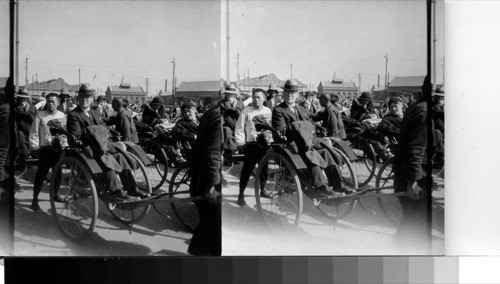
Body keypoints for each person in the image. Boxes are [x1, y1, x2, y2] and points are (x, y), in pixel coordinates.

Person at [67, 83, 149, 201]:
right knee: (107, 159)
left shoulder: (95, 113)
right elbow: (77, 135)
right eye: (82, 97)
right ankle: (116, 191)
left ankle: (132, 188)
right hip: (86, 149)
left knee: (120, 156)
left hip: (101, 146)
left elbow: (103, 128)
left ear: (92, 99)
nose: (85, 99)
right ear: (78, 98)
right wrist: (94, 133)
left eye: (88, 97)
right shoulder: (73, 114)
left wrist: (105, 133)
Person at [272, 79, 351, 197]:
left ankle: (338, 183)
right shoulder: (279, 110)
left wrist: (316, 126)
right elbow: (281, 131)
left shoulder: (301, 109)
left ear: (297, 94)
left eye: (292, 92)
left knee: (326, 151)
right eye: (287, 92)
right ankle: (321, 186)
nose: (290, 95)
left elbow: (310, 122)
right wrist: (299, 128)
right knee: (312, 154)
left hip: (307, 141)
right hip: (291, 145)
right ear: (283, 94)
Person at [393, 75, 438, 254]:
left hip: (414, 175)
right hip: (414, 179)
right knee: (413, 226)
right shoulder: (425, 112)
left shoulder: (418, 107)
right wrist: (412, 182)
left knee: (414, 224)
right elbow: (415, 150)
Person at [187, 104, 221, 256]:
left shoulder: (213, 112)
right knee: (211, 224)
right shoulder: (218, 116)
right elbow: (213, 154)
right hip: (208, 178)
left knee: (209, 223)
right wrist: (211, 186)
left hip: (204, 174)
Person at [28, 93, 67, 211]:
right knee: (41, 175)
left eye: (53, 101)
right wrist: (34, 148)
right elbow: (33, 132)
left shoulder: (62, 115)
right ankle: (35, 199)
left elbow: (65, 133)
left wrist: (65, 145)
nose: (50, 104)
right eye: (48, 101)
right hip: (45, 150)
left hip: (58, 150)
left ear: (58, 103)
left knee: (58, 175)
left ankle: (55, 195)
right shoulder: (41, 116)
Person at [234, 88, 273, 206]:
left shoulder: (268, 111)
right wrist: (240, 143)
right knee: (247, 170)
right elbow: (239, 128)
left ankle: (263, 190)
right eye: (254, 97)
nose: (256, 99)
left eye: (258, 97)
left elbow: (271, 127)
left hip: (264, 145)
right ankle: (241, 195)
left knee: (264, 169)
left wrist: (270, 140)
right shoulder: (246, 111)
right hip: (251, 145)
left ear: (264, 98)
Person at [14, 89, 38, 170]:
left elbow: (36, 120)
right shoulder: (15, 108)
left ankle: (27, 160)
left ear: (27, 99)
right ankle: (22, 161)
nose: (22, 101)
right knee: (21, 138)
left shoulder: (32, 107)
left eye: (24, 99)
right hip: (20, 131)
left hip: (31, 130)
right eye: (21, 99)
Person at [221, 84, 244, 164]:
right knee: (226, 131)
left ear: (234, 94)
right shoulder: (222, 103)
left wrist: (235, 110)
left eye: (231, 93)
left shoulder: (240, 103)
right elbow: (220, 115)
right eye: (228, 93)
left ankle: (237, 155)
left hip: (238, 125)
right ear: (226, 94)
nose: (229, 95)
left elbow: (242, 114)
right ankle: (229, 156)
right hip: (227, 125)